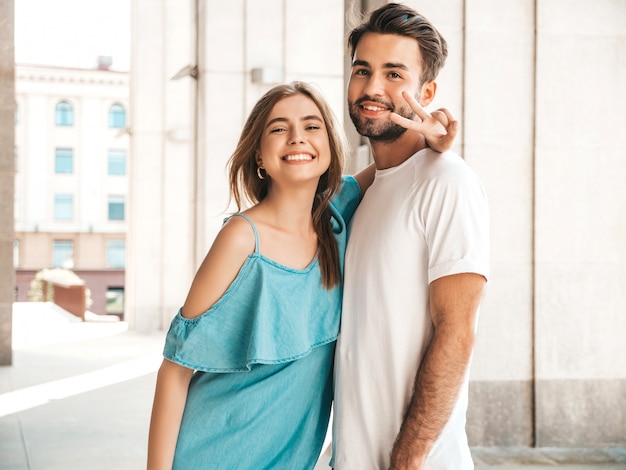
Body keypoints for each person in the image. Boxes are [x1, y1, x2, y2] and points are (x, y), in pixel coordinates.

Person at [147, 81, 455, 470]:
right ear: (259, 155)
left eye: (312, 127)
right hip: (212, 454)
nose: (297, 138)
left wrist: (432, 138)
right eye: (278, 128)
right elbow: (174, 370)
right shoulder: (241, 238)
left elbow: (392, 167)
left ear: (328, 146)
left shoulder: (337, 216)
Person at [331, 3, 490, 470]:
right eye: (362, 70)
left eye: (394, 73)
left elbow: (457, 333)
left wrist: (407, 459)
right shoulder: (365, 193)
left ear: (427, 91)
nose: (373, 88)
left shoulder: (448, 182)